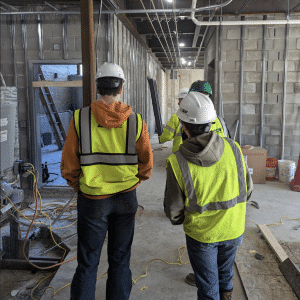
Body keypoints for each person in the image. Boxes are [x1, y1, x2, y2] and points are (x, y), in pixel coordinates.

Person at [61, 62, 153, 300]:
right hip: (126, 199)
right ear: (120, 88)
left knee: (88, 263)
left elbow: (69, 165)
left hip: (92, 199)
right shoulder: (136, 120)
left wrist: (81, 186)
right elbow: (147, 164)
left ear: (98, 87)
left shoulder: (80, 118)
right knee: (120, 260)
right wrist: (131, 182)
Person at [164, 91, 253, 300]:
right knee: (225, 272)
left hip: (202, 235)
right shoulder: (234, 148)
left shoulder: (177, 162)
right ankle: (227, 296)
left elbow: (174, 211)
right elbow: (247, 191)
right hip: (234, 228)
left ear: (183, 126)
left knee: (207, 283)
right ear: (211, 122)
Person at [159, 87, 189, 152]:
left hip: (179, 152)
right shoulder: (197, 117)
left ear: (182, 101)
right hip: (193, 152)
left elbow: (167, 136)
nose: (178, 102)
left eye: (179, 100)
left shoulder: (175, 117)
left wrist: (161, 138)